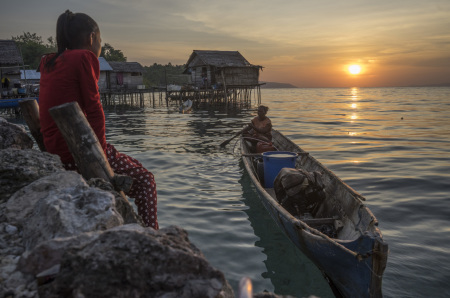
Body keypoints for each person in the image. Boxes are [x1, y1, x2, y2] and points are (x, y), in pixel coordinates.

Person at [39, 10, 158, 229]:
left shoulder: (48, 61)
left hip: (55, 149)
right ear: (92, 38)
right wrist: (100, 156)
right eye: (100, 40)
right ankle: (153, 234)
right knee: (146, 181)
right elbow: (95, 110)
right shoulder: (84, 57)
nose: (99, 45)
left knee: (136, 166)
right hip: (77, 152)